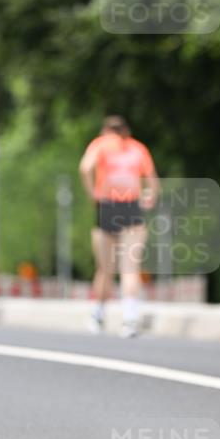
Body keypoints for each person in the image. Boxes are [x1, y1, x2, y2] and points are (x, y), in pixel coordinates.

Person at [79, 116, 159, 337]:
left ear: (106, 130)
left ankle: (97, 315)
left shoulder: (101, 144)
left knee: (105, 268)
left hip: (107, 205)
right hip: (131, 206)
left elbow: (85, 168)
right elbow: (153, 182)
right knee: (130, 268)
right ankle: (130, 319)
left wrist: (92, 194)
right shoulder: (137, 148)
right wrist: (149, 198)